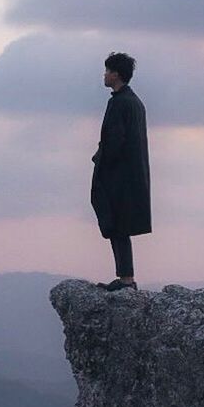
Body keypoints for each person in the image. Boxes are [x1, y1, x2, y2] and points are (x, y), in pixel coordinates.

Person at [90, 51, 151, 291]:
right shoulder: (134, 102)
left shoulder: (120, 102)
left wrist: (101, 161)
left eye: (107, 71)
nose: (104, 75)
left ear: (116, 74)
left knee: (116, 224)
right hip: (130, 175)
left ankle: (126, 280)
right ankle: (126, 277)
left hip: (118, 175)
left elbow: (114, 140)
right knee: (119, 226)